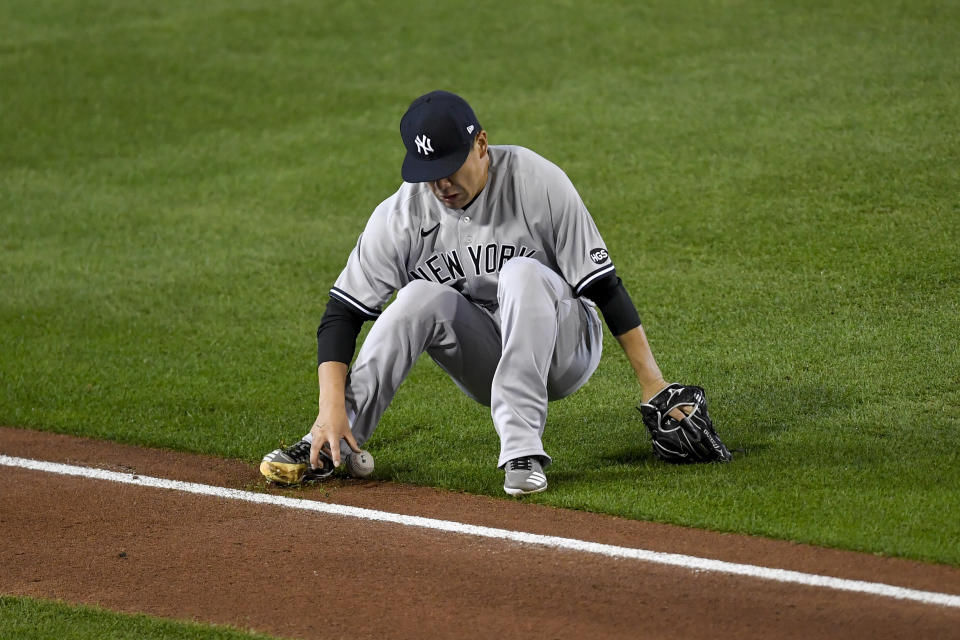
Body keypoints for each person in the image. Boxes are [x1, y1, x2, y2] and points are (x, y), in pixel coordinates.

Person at [260, 90, 707, 496]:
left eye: (450, 169)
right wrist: (329, 407)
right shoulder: (402, 213)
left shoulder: (536, 181)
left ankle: (522, 451)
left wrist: (653, 382)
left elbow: (603, 284)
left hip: (567, 346)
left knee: (521, 274)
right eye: (430, 174)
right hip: (488, 357)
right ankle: (330, 440)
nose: (441, 185)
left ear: (481, 145)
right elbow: (342, 312)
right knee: (417, 297)